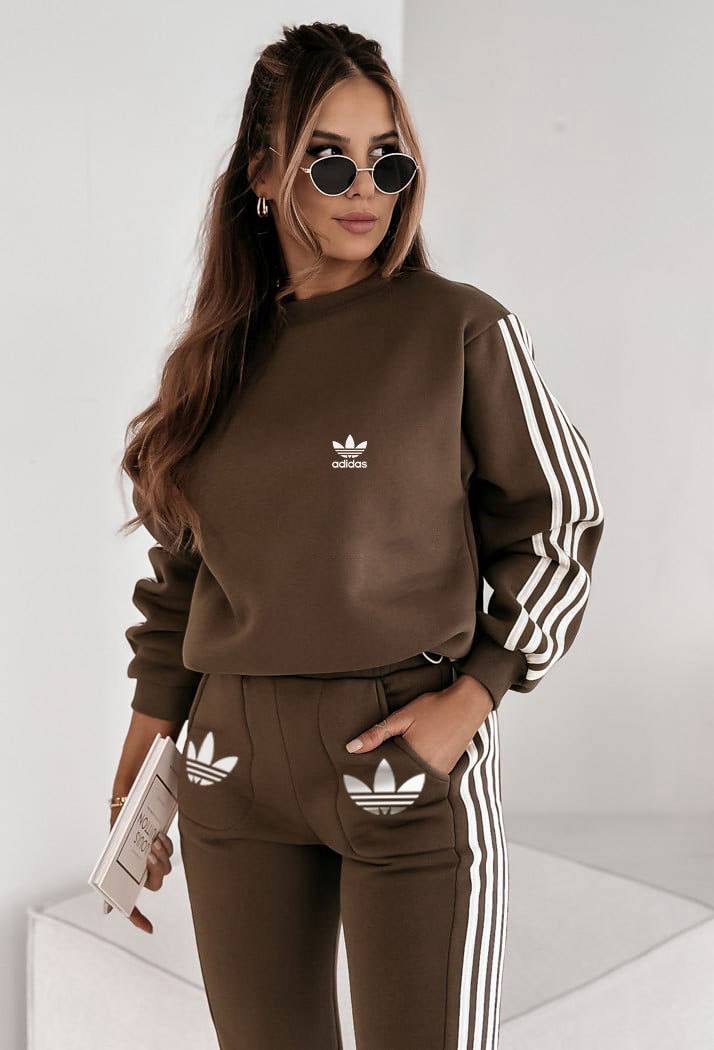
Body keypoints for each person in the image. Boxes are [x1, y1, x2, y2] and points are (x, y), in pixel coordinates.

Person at [109, 21, 604, 1050]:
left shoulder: (460, 328)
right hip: (229, 769)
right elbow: (181, 575)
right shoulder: (215, 362)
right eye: (328, 158)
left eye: (388, 159)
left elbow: (560, 521)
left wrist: (475, 695)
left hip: (402, 757)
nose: (364, 187)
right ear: (263, 175)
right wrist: (142, 756)